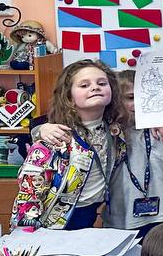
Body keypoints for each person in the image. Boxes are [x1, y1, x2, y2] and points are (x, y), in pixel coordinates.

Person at [16, 59, 126, 229]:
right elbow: (30, 189)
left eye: (102, 83)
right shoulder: (55, 136)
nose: (95, 87)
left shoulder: (116, 131)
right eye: (84, 85)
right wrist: (28, 228)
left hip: (89, 213)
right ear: (69, 98)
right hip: (48, 222)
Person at [103, 69, 163, 237]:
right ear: (116, 101)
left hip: (161, 217)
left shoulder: (157, 128)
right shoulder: (108, 133)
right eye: (130, 98)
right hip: (122, 220)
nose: (137, 104)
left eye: (142, 98)